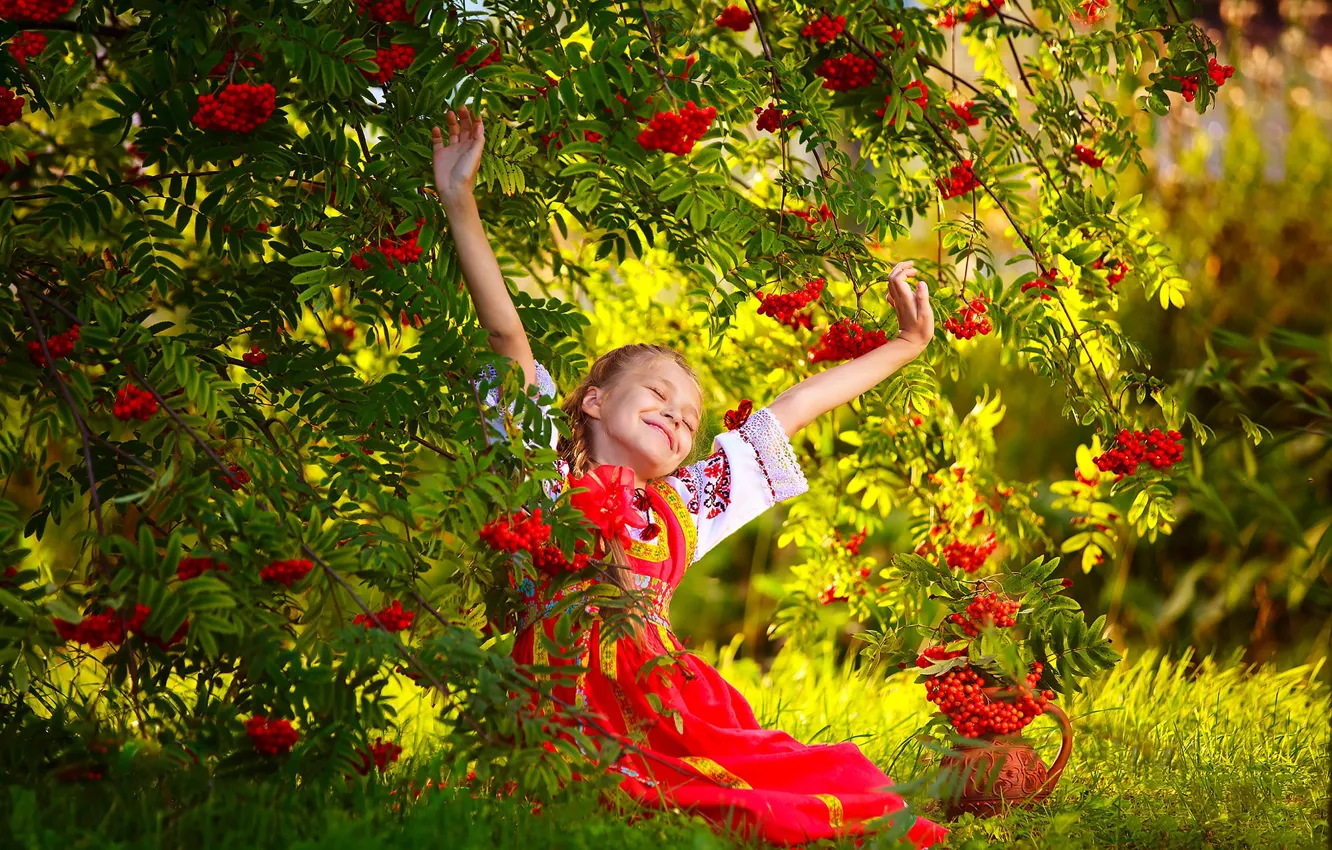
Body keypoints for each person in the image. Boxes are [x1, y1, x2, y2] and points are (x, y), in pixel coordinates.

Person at [432, 106, 946, 848]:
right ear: (597, 401)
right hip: (560, 709)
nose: (677, 417)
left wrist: (905, 344)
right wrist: (460, 201)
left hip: (665, 707)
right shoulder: (545, 469)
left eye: (690, 419)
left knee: (769, 794)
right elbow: (507, 334)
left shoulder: (681, 506)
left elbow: (794, 406)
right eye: (659, 396)